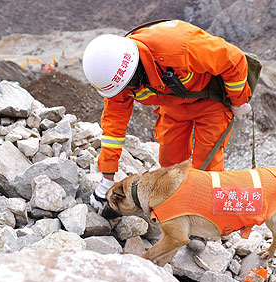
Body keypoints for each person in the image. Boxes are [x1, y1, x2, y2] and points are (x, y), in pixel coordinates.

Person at [83, 20, 252, 212]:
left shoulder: (180, 47)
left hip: (210, 104)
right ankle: (175, 208)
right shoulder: (118, 81)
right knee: (170, 162)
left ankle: (204, 218)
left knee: (207, 165)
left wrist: (238, 101)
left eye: (130, 85)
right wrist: (107, 178)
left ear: (135, 69)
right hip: (172, 107)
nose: (128, 91)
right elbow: (113, 126)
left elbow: (234, 59)